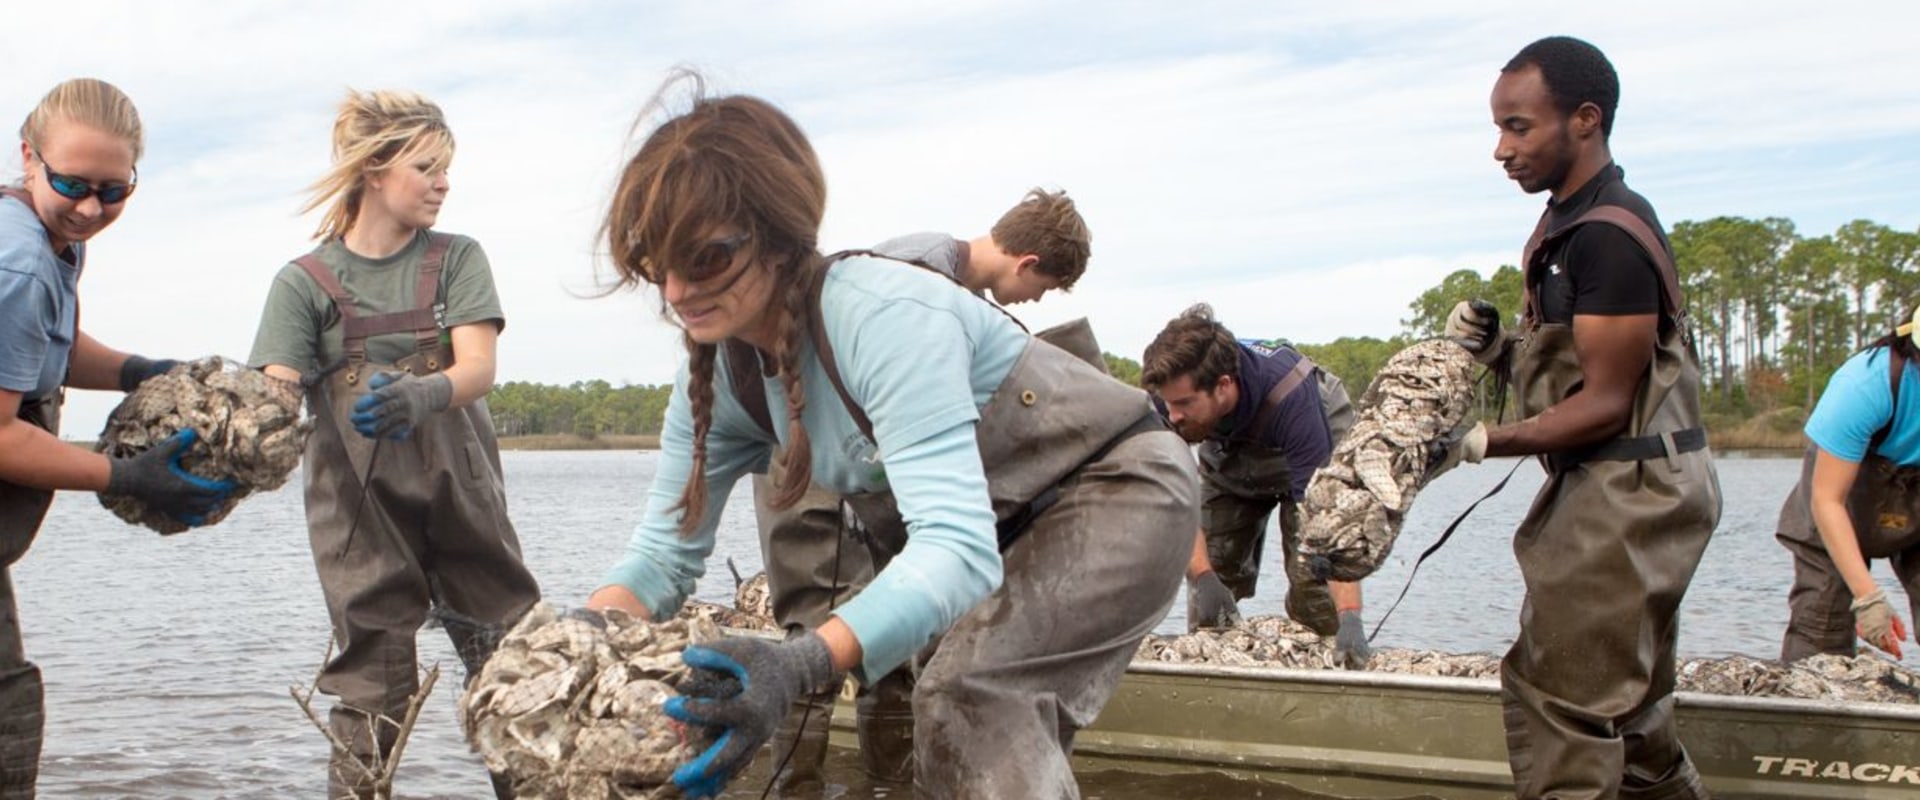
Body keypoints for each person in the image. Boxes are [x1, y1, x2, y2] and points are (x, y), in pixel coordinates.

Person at [586, 78, 1196, 799]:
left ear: (780, 238)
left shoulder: (884, 315)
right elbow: (661, 555)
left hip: (1120, 487)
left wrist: (803, 663)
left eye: (708, 258)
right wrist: (578, 640)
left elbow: (955, 547)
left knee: (971, 694)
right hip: (1004, 527)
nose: (679, 292)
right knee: (929, 702)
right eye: (656, 265)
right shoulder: (722, 377)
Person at [1441, 36, 1721, 799]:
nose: (1501, 148)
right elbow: (1576, 370)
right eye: (1498, 127)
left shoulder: (1608, 234)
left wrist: (1478, 442)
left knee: (1559, 699)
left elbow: (1603, 405)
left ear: (1586, 120)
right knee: (1631, 710)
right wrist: (1499, 347)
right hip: (1634, 483)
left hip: (1629, 493)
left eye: (1519, 127)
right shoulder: (1572, 224)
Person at [747, 186, 1095, 789]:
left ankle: (892, 786)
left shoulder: (956, 289)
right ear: (1028, 263)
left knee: (892, 638)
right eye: (1043, 288)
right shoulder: (918, 268)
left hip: (868, 472)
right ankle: (792, 788)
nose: (1036, 300)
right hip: (818, 464)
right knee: (814, 631)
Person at [246, 89, 539, 799]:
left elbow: (477, 367)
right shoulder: (304, 284)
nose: (444, 183)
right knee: (372, 680)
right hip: (358, 513)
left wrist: (423, 392)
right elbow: (277, 392)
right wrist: (248, 432)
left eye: (446, 169)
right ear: (374, 170)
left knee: (512, 665)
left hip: (461, 496)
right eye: (427, 167)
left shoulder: (456, 259)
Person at [0, 77, 236, 797]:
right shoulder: (20, 261)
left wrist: (145, 371)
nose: (91, 208)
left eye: (114, 190)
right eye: (72, 182)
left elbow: (51, 344)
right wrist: (124, 476)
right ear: (28, 156)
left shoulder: (50, 234)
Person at [1140, 304, 1370, 665]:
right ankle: (1213, 674)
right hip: (1231, 447)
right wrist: (1204, 577)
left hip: (1308, 440)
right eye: (1168, 404)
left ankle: (1331, 660)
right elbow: (1175, 498)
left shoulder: (1295, 401)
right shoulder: (1170, 397)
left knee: (1311, 577)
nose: (1173, 415)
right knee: (1211, 581)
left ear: (1223, 386)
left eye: (1183, 404)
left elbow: (1330, 521)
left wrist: (1350, 616)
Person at [1776, 310, 1920, 663]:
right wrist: (1868, 597)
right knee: (1821, 627)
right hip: (1838, 506)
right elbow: (1827, 500)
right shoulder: (1865, 384)